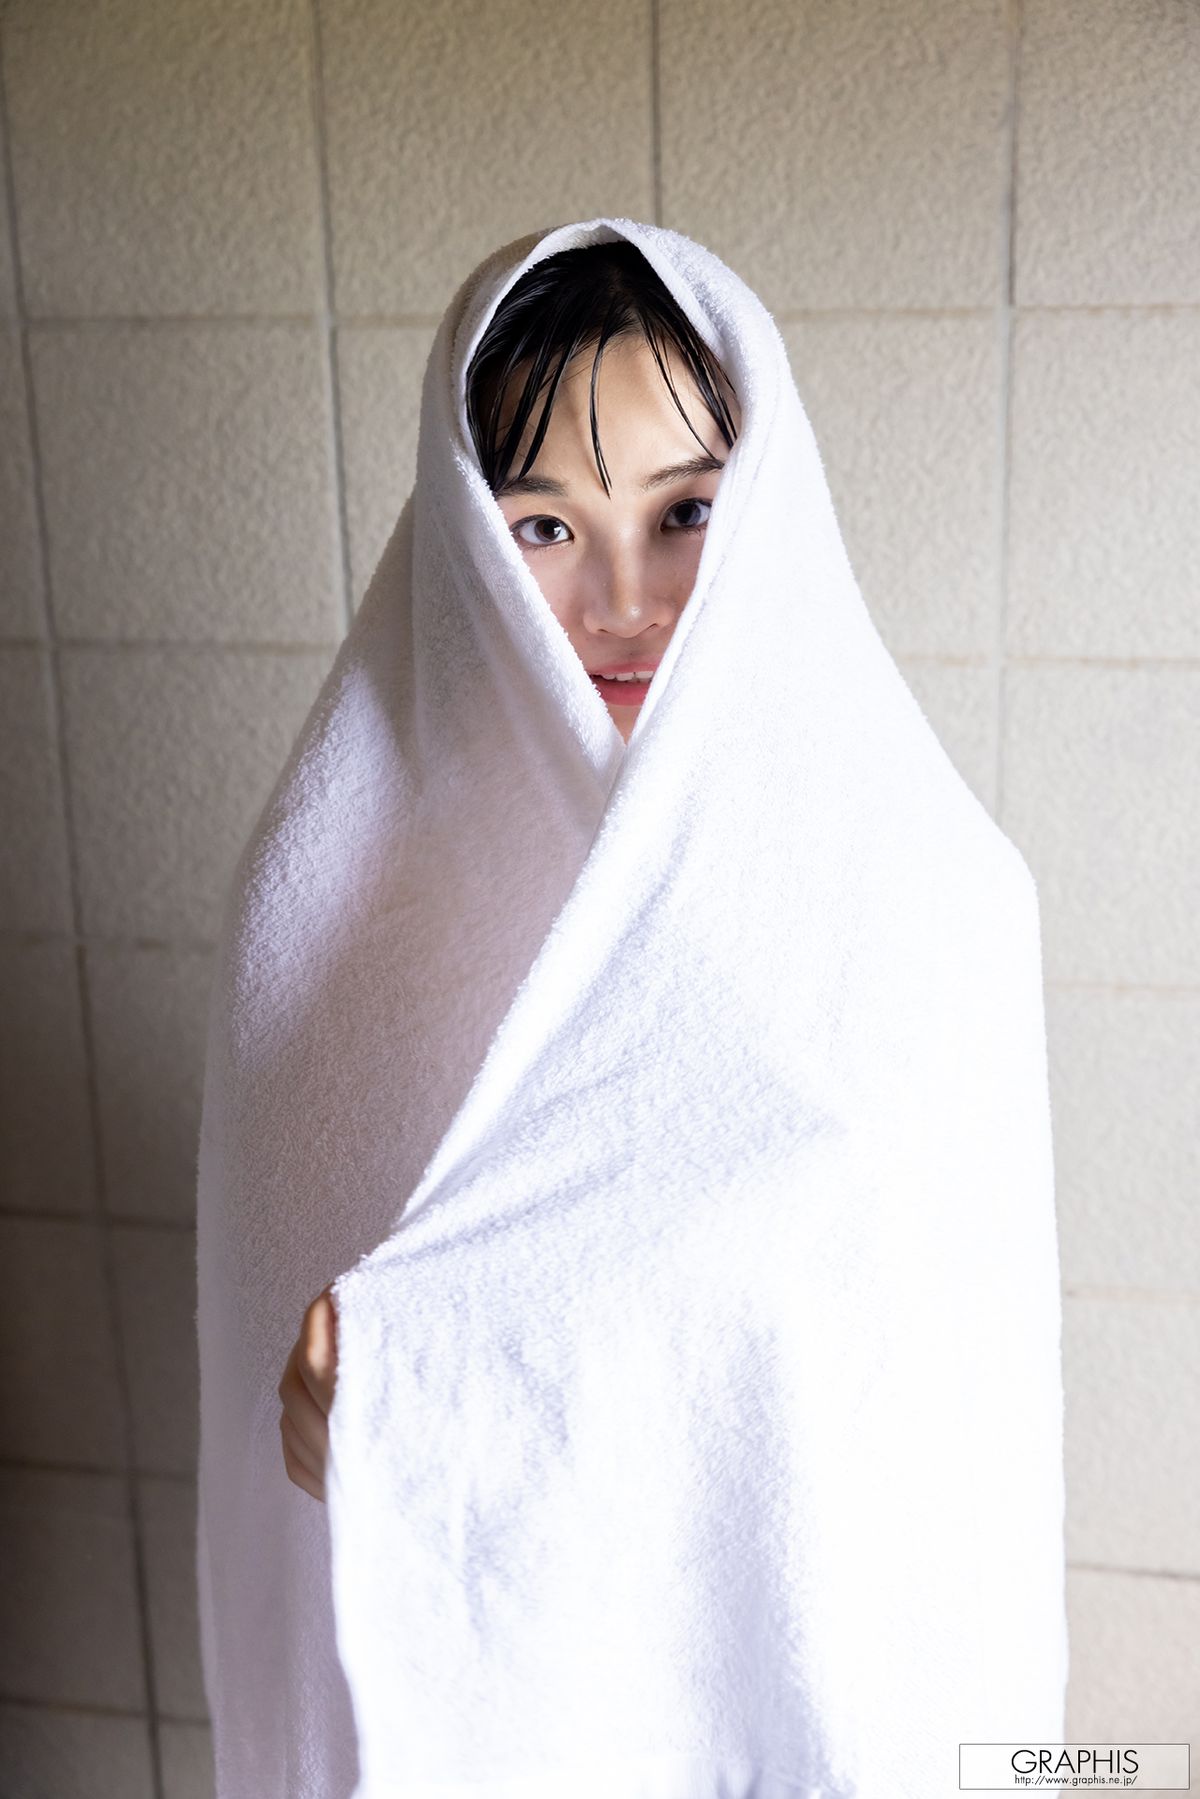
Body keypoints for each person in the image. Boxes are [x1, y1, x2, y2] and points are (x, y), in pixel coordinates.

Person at [277, 240, 743, 1499]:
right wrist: (348, 1404)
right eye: (544, 526)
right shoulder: (334, 897)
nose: (624, 601)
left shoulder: (924, 888)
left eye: (685, 512)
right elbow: (317, 1345)